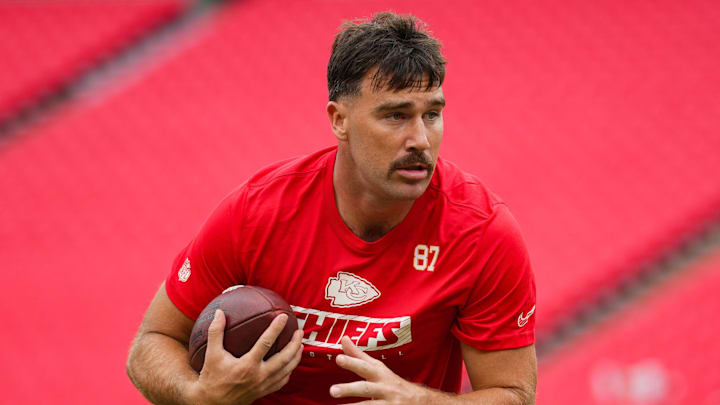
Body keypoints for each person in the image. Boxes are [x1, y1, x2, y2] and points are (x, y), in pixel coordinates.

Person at [127, 11, 537, 405]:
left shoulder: (482, 232)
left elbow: (514, 394)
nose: (420, 139)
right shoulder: (258, 212)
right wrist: (200, 397)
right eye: (396, 115)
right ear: (339, 119)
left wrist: (421, 402)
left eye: (431, 114)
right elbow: (152, 343)